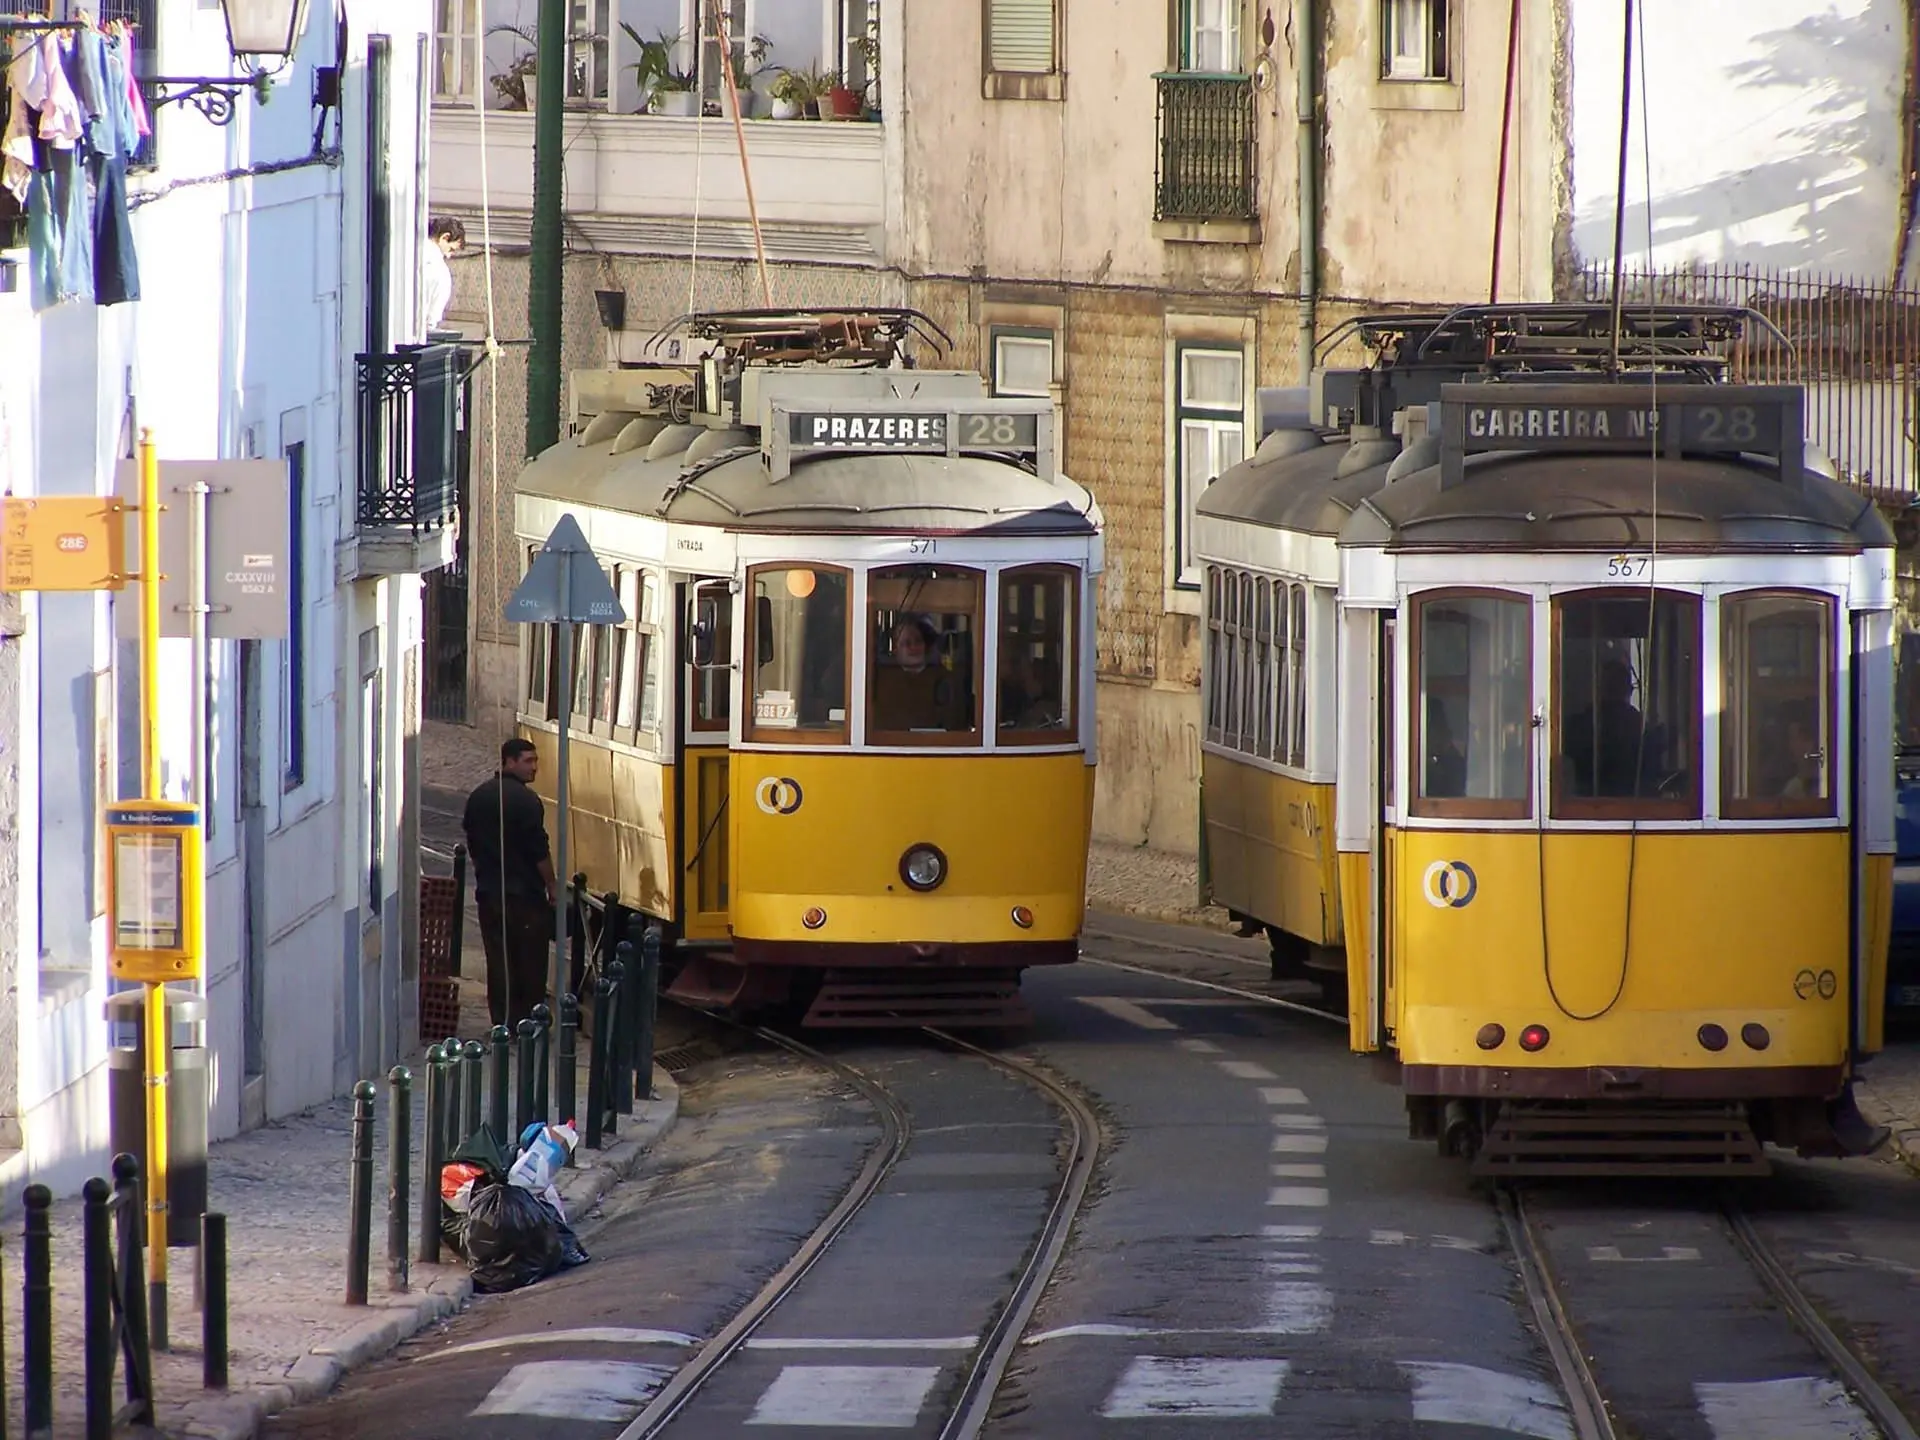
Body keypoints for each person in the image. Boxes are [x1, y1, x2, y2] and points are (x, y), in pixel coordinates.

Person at [462, 737, 557, 1028]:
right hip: (524, 896)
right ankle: (527, 1022)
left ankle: (502, 1021)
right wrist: (552, 886)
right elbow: (539, 850)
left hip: (490, 894)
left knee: (498, 960)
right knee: (529, 961)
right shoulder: (527, 802)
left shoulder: (479, 797)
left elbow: (472, 842)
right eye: (528, 761)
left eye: (535, 760)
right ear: (509, 761)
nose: (534, 768)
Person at [1561, 658, 1645, 797]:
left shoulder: (1580, 723)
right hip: (1590, 803)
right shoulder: (1582, 723)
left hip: (1623, 802)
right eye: (1611, 685)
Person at [873, 616, 964, 731]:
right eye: (907, 643)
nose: (914, 647)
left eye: (918, 641)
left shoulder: (945, 678)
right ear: (895, 649)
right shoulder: (882, 682)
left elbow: (955, 723)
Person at [421, 215, 465, 334]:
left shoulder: (406, 250)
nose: (449, 256)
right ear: (445, 237)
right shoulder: (441, 273)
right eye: (451, 249)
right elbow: (430, 321)